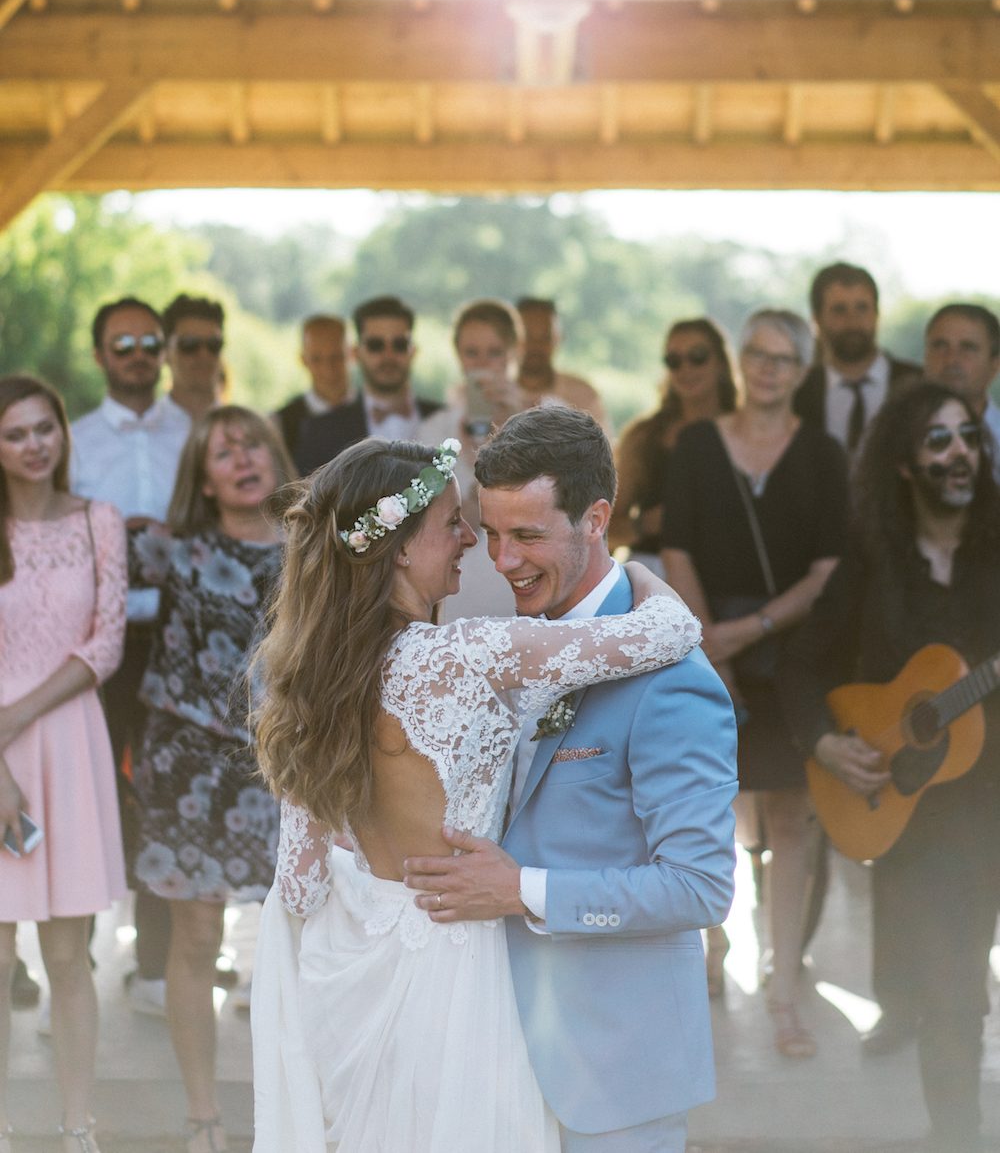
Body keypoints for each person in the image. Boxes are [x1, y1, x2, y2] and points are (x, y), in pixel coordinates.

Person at [249, 433, 710, 1153]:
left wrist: (381, 871)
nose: (471, 541)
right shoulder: (465, 655)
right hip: (458, 963)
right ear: (401, 548)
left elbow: (301, 888)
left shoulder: (314, 681)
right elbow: (670, 631)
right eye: (453, 523)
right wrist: (639, 571)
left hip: (361, 976)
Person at [402, 407, 738, 1152]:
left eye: (527, 535)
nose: (503, 560)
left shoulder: (672, 679)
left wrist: (520, 890)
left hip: (614, 1073)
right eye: (491, 533)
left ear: (596, 519)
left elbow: (699, 886)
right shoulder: (520, 644)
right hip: (495, 1056)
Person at [779, 380, 1000, 1153]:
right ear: (904, 463)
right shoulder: (873, 563)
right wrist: (825, 742)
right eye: (938, 439)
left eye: (968, 435)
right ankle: (960, 1136)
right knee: (952, 992)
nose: (959, 452)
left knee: (959, 988)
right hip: (917, 815)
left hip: (994, 798)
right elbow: (801, 666)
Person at [661, 309, 847, 1058]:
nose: (768, 368)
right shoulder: (696, 445)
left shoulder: (823, 453)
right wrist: (712, 642)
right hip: (707, 648)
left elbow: (829, 570)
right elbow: (676, 548)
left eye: (783, 358)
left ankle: (783, 987)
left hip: (794, 656)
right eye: (757, 354)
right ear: (741, 361)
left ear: (803, 371)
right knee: (712, 812)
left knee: (793, 821)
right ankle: (716, 948)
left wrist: (750, 630)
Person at [130, 406, 292, 1153]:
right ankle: (203, 1116)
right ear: (202, 478)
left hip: (284, 763)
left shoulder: (317, 552)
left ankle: (291, 1111)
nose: (243, 459)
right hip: (187, 766)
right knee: (197, 937)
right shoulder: (171, 549)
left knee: (296, 941)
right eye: (223, 452)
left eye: (253, 444)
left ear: (276, 456)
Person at [0, 374, 127, 1153]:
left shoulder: (96, 521)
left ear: (62, 433)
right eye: (15, 433)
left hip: (69, 743)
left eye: (43, 428)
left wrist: (15, 716)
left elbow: (105, 644)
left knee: (66, 954)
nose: (33, 445)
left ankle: (78, 1125)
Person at [71, 296, 191, 1014]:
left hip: (178, 641)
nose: (139, 355)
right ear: (100, 356)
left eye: (150, 342)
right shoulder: (75, 442)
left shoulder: (196, 433)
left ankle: (154, 968)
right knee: (86, 793)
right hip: (96, 643)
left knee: (165, 795)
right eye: (124, 344)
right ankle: (74, 964)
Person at [414, 299, 540, 616]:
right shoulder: (435, 430)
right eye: (472, 353)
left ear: (515, 352)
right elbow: (434, 528)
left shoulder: (549, 417)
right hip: (461, 586)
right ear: (458, 355)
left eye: (494, 352)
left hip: (529, 581)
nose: (483, 364)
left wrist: (517, 425)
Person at [610, 317, 738, 563]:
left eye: (698, 357)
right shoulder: (644, 437)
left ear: (722, 363)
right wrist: (645, 524)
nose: (686, 369)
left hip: (727, 568)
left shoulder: (748, 432)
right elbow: (604, 530)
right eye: (674, 361)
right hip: (655, 571)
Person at [295, 296, 441, 475]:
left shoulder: (447, 419)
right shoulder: (321, 432)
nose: (388, 355)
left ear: (413, 351)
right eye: (375, 345)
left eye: (399, 345)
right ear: (356, 353)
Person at [794, 262, 919, 455]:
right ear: (817, 320)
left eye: (862, 308)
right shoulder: (798, 391)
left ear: (877, 313)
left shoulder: (917, 384)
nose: (852, 321)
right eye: (839, 309)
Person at [515, 297, 610, 433]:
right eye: (526, 336)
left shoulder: (584, 396)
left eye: (545, 337)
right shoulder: (492, 395)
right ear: (510, 339)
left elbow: (603, 445)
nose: (535, 345)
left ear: (559, 339)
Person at [924, 302, 1000, 472]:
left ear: (995, 364)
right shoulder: (896, 435)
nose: (951, 359)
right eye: (940, 345)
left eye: (968, 348)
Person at [273, 315, 351, 461]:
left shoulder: (376, 412)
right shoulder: (282, 424)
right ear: (303, 360)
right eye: (317, 359)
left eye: (336, 357)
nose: (328, 369)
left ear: (352, 354)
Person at [162, 295, 227, 425]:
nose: (204, 355)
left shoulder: (244, 430)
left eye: (213, 345)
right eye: (189, 344)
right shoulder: (140, 428)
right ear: (165, 353)